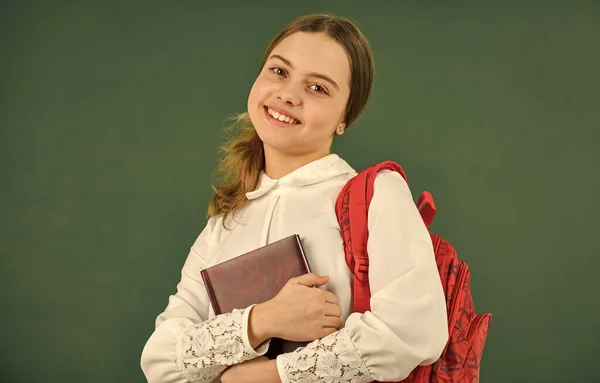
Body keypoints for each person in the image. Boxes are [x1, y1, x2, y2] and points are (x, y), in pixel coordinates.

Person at [140, 13, 448, 383]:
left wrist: (266, 375)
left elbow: (412, 331)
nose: (288, 95)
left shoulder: (376, 194)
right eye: (279, 72)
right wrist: (263, 320)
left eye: (318, 88)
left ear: (344, 118)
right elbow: (159, 361)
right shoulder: (224, 223)